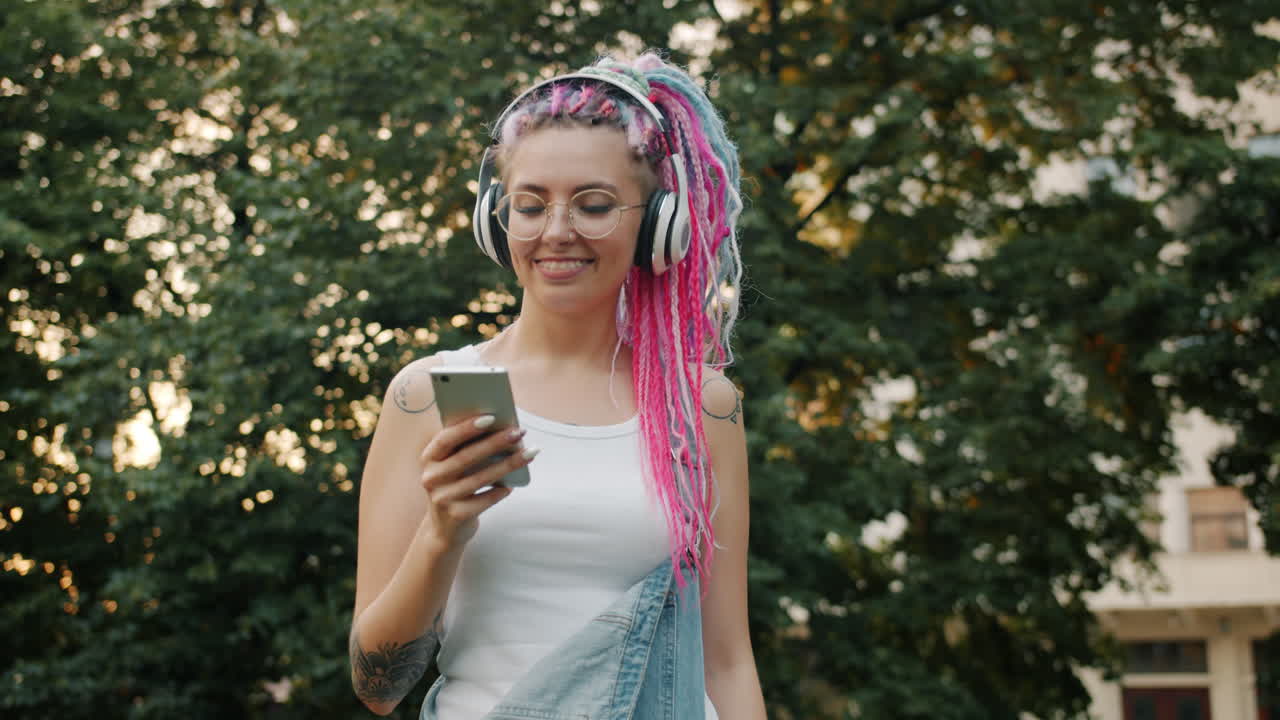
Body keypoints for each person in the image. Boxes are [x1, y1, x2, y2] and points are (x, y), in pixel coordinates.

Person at [348, 53, 766, 719]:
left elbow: (726, 661)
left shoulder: (703, 407)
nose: (558, 231)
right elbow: (378, 688)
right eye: (531, 204)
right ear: (496, 218)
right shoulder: (425, 395)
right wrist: (443, 532)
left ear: (657, 224)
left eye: (594, 204)